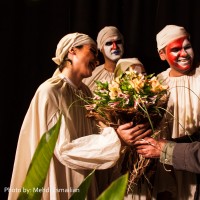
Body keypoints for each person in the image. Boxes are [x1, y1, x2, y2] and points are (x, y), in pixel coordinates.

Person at [8, 32, 152, 200]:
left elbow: (94, 134)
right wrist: (117, 139)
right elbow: (65, 149)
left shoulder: (84, 92)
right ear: (72, 51)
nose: (97, 61)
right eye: (92, 51)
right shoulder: (51, 91)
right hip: (62, 179)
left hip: (84, 175)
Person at [139, 25, 200, 200]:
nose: (184, 54)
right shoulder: (156, 84)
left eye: (187, 47)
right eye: (175, 49)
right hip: (163, 161)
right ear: (162, 54)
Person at [83, 26, 124, 92]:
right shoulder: (90, 75)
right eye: (109, 43)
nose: (115, 47)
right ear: (101, 48)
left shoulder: (133, 73)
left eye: (118, 42)